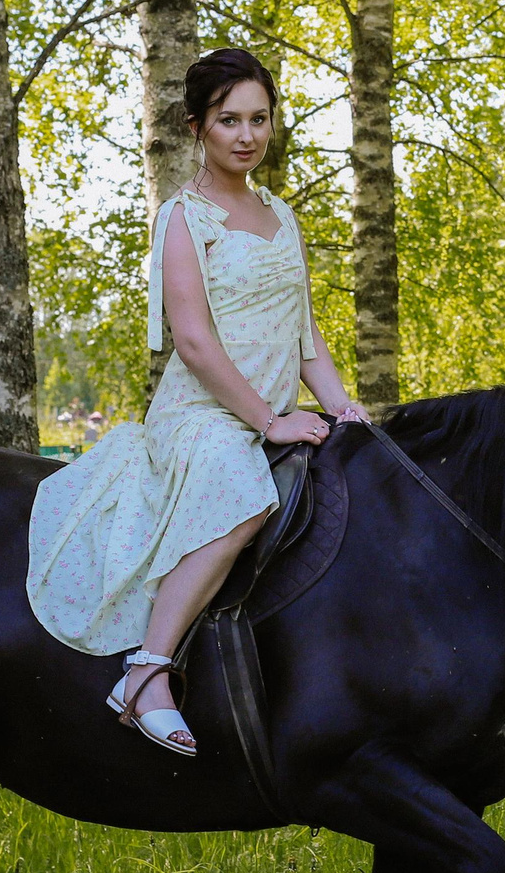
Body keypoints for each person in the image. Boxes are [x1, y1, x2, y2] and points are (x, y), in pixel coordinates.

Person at [26, 48, 369, 755]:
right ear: (197, 128)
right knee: (243, 492)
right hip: (203, 418)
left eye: (260, 119)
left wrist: (342, 407)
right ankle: (148, 671)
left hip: (273, 415)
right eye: (228, 121)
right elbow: (194, 341)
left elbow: (303, 335)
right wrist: (270, 420)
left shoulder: (281, 215)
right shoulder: (184, 218)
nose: (247, 135)